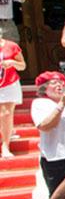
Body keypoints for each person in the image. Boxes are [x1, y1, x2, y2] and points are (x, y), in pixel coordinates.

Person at [0, 27, 25, 158]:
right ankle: (7, 132)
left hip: (9, 82)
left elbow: (22, 66)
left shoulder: (11, 46)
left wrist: (12, 62)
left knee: (6, 113)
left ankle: (5, 146)